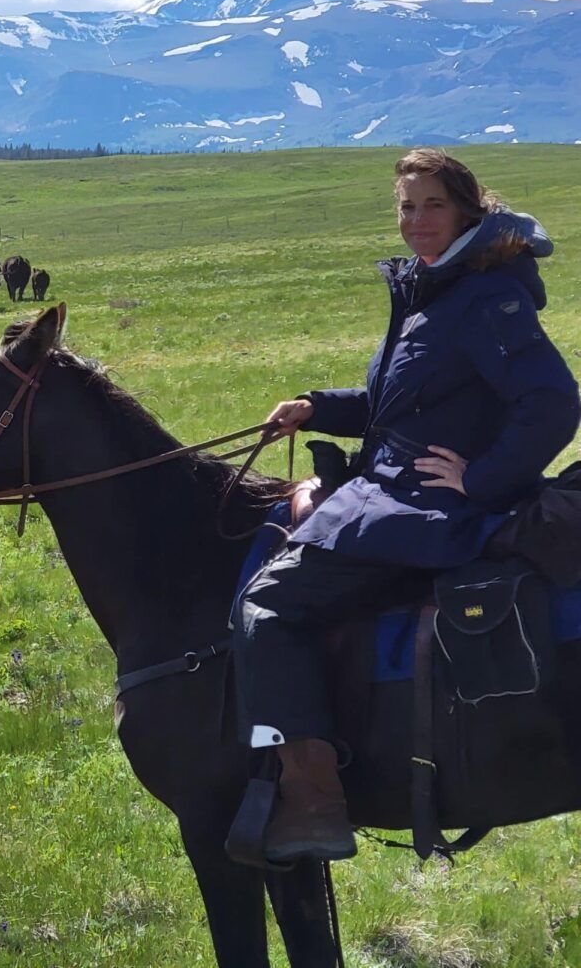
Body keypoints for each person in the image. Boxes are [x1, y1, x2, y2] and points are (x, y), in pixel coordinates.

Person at [235, 149, 580, 863]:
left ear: (464, 210)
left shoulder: (484, 297)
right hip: (396, 494)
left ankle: (314, 801)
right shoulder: (434, 288)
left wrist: (480, 479)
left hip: (426, 512)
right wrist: (315, 407)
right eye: (404, 206)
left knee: (266, 606)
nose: (415, 221)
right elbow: (400, 405)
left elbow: (552, 401)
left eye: (430, 205)